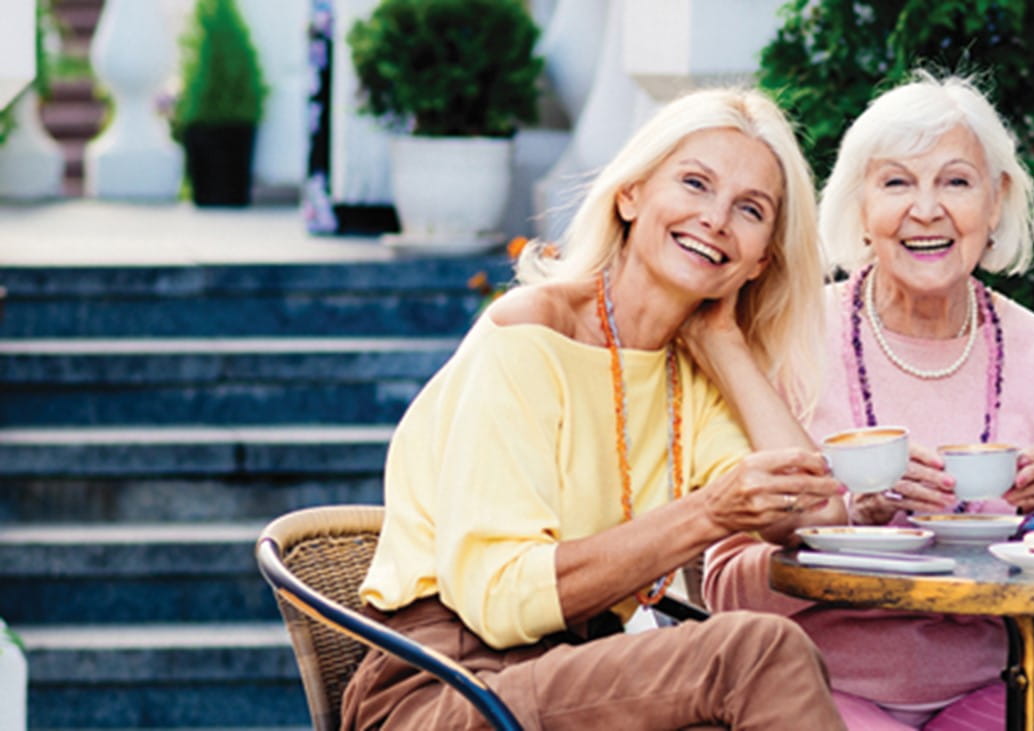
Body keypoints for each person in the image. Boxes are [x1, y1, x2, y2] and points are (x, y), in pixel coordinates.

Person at [340, 88, 847, 730]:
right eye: (695, 183)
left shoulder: (690, 372)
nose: (717, 219)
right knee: (757, 654)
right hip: (450, 686)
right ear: (630, 196)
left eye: (750, 210)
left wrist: (725, 344)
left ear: (759, 261)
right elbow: (500, 601)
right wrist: (709, 512)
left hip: (582, 672)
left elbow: (818, 516)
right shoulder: (531, 336)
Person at [703, 75, 1034, 730]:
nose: (927, 209)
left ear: (995, 202)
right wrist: (846, 519)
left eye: (956, 182)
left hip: (986, 694)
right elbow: (723, 590)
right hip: (811, 691)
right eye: (896, 183)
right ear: (859, 206)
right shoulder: (786, 342)